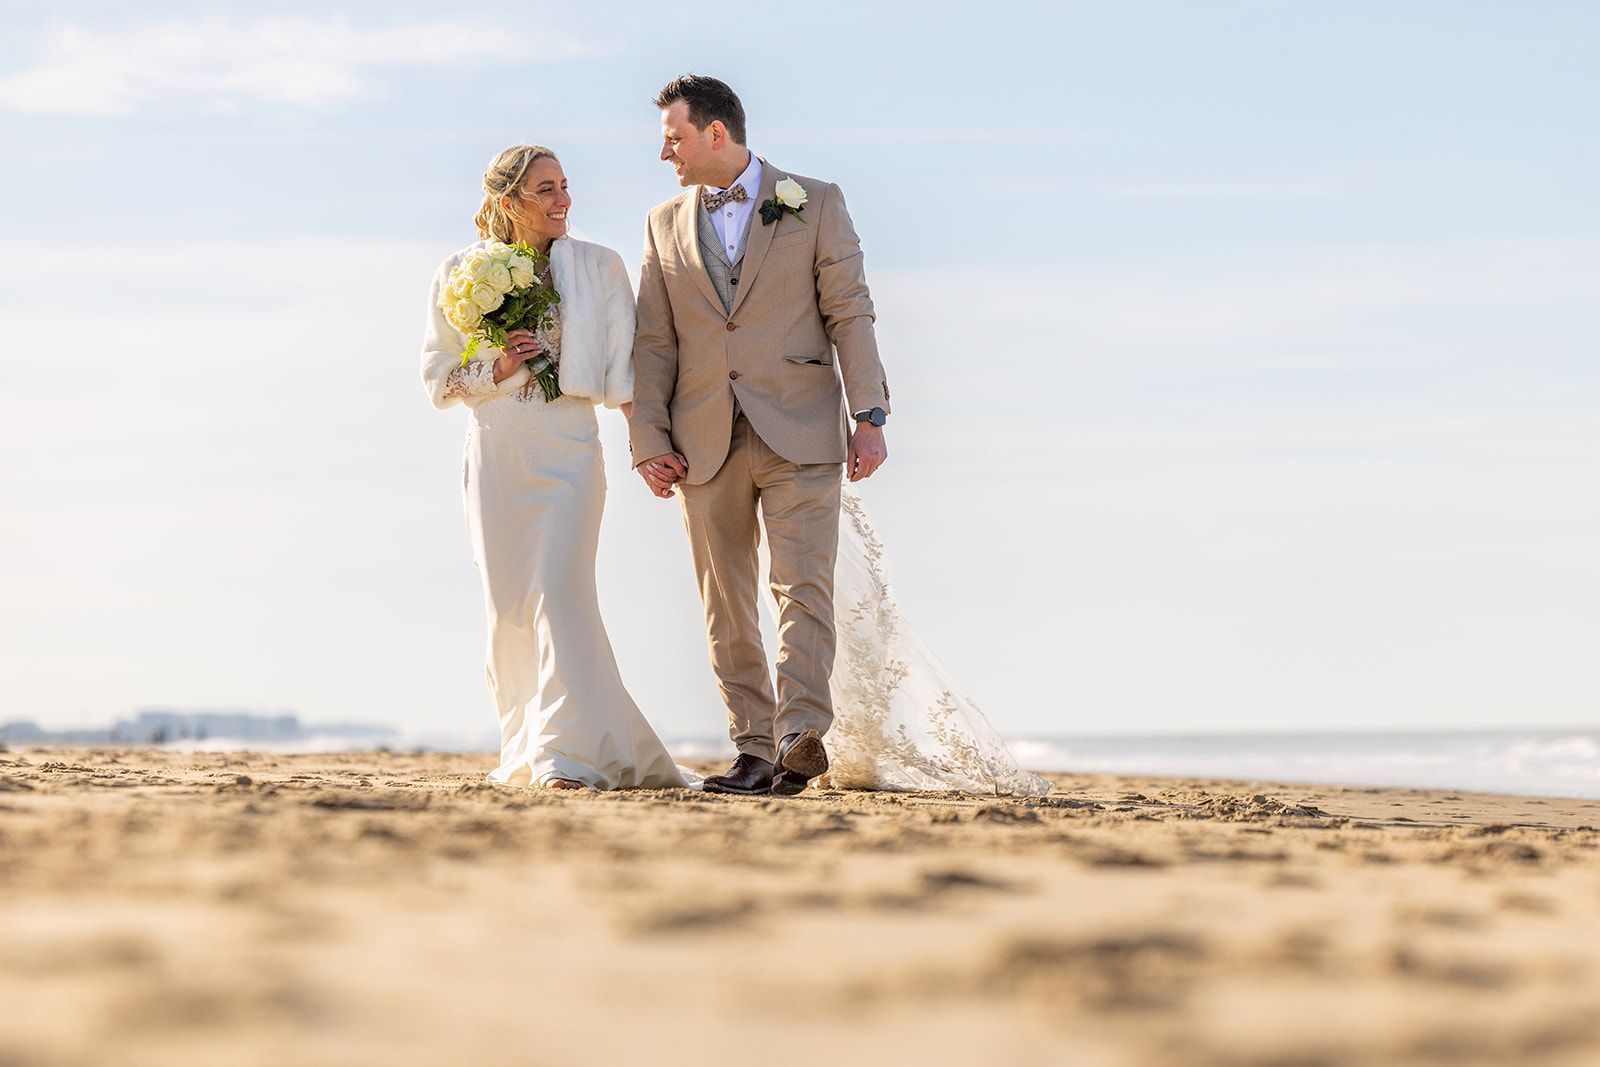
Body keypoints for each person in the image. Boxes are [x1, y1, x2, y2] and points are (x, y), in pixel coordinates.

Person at [420, 144, 685, 791]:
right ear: (510, 202)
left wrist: (646, 445)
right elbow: (437, 380)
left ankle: (567, 757)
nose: (563, 199)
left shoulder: (601, 268)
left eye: (565, 185)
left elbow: (627, 370)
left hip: (570, 453)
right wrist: (499, 367)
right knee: (511, 610)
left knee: (561, 595)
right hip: (498, 456)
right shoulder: (459, 271)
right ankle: (536, 740)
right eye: (545, 189)